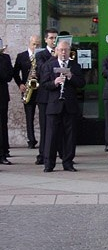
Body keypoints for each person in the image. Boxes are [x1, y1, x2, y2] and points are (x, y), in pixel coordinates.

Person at [40, 39, 85, 172]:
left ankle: (68, 162)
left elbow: (82, 83)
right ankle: (49, 163)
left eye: (66, 50)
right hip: (54, 106)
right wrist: (54, 82)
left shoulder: (75, 66)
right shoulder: (49, 65)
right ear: (56, 51)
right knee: (51, 136)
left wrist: (71, 76)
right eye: (61, 50)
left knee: (70, 136)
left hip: (69, 106)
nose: (64, 53)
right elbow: (44, 84)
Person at [13, 34, 41, 149]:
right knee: (29, 116)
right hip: (27, 89)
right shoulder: (21, 56)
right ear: (29, 43)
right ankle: (31, 139)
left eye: (38, 44)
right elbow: (15, 72)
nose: (36, 46)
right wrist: (20, 84)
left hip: (40, 89)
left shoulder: (41, 56)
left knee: (43, 116)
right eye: (34, 44)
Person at [35, 27, 58, 165]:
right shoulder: (41, 54)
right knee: (45, 127)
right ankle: (43, 154)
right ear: (45, 40)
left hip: (57, 97)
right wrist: (54, 57)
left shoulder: (63, 53)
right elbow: (43, 70)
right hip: (44, 96)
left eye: (56, 38)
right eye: (51, 38)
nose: (54, 40)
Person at [0, 38, 13, 164]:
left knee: (2, 125)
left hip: (2, 96)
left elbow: (9, 76)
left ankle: (3, 154)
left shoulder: (5, 58)